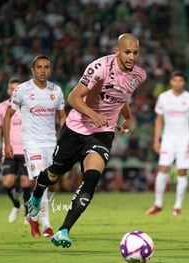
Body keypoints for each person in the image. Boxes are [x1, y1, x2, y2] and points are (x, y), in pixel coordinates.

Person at [26, 33, 146, 248]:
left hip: (103, 132)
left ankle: (63, 230)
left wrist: (127, 117)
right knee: (54, 174)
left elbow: (121, 96)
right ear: (117, 51)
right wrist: (92, 114)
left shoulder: (139, 75)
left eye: (135, 52)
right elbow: (73, 98)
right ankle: (36, 195)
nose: (132, 56)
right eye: (127, 52)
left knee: (91, 178)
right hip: (76, 128)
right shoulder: (99, 67)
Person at [4, 55, 66, 238]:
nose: (43, 70)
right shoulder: (22, 90)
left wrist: (65, 137)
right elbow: (7, 116)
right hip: (31, 143)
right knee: (43, 180)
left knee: (52, 184)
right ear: (33, 70)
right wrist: (7, 143)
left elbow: (62, 117)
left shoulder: (56, 90)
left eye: (46, 67)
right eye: (39, 67)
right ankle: (46, 224)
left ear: (50, 69)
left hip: (51, 143)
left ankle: (33, 214)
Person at [146, 70, 189, 216]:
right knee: (162, 169)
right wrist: (156, 139)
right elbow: (159, 120)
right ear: (171, 82)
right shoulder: (163, 98)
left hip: (184, 139)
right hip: (168, 139)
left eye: (181, 80)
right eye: (175, 80)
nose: (178, 83)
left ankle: (177, 206)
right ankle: (158, 204)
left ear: (184, 83)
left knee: (182, 171)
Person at [0, 77, 31, 223]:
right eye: (12, 89)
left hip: (27, 151)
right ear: (8, 91)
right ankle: (17, 205)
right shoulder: (2, 107)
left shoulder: (29, 106)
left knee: (26, 183)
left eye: (17, 89)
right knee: (7, 183)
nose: (15, 91)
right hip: (9, 151)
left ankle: (28, 212)